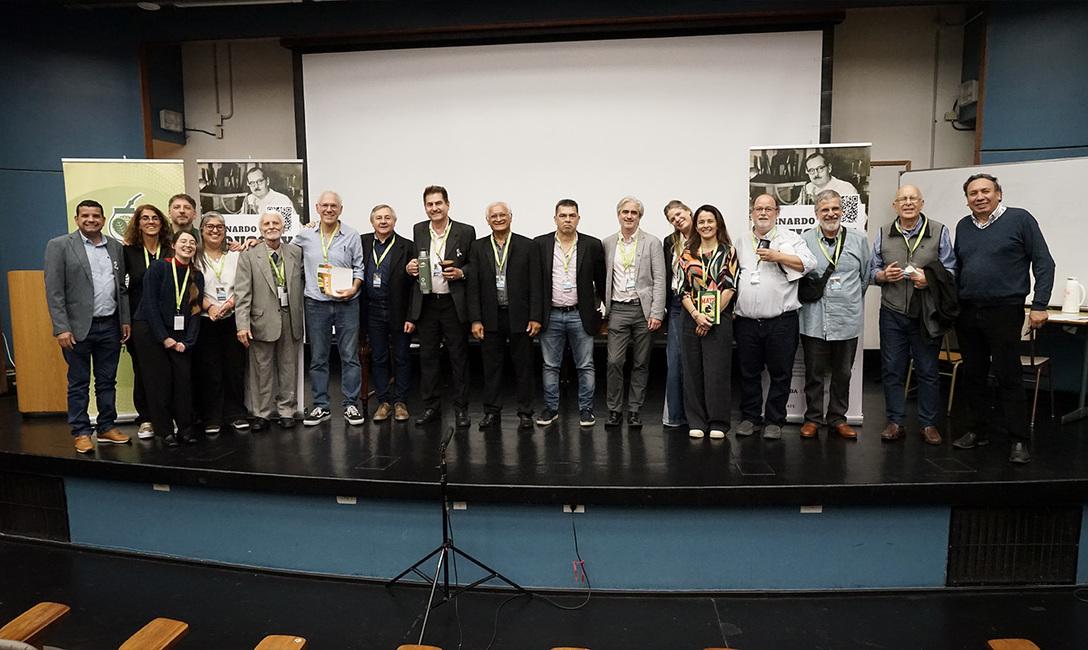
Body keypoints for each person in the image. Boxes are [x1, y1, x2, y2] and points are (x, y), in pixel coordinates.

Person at [951, 173, 1055, 464]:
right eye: (973, 193)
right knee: (973, 375)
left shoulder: (1020, 219)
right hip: (969, 311)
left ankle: (1019, 440)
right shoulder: (963, 226)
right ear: (967, 199)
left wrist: (1040, 303)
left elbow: (1044, 262)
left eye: (985, 191)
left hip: (1005, 310)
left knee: (1008, 376)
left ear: (999, 194)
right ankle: (976, 431)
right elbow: (959, 267)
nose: (979, 197)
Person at [870, 184, 957, 445]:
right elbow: (872, 269)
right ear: (895, 206)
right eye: (902, 199)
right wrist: (882, 276)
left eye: (913, 198)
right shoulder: (884, 232)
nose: (908, 203)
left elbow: (951, 271)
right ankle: (896, 422)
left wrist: (929, 280)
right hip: (892, 312)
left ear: (921, 203)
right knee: (892, 369)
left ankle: (928, 424)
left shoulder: (940, 231)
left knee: (928, 371)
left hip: (926, 314)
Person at [45, 199, 132, 454]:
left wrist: (124, 320)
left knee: (107, 381)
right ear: (76, 219)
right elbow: (54, 291)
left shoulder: (115, 246)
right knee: (79, 383)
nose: (91, 219)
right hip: (77, 329)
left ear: (103, 220)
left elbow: (122, 288)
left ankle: (106, 427)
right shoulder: (59, 246)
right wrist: (61, 328)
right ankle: (82, 432)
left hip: (110, 325)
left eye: (96, 215)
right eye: (85, 215)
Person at [734, 194, 817, 439]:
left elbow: (809, 263)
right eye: (758, 208)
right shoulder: (741, 241)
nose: (763, 213)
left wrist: (778, 256)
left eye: (768, 209)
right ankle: (750, 417)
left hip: (781, 321)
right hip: (747, 322)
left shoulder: (790, 238)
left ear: (777, 213)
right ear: (751, 212)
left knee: (781, 373)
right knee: (748, 372)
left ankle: (774, 420)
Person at [798, 190, 870, 440]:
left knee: (843, 374)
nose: (831, 214)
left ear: (842, 211)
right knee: (814, 373)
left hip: (847, 319)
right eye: (825, 209)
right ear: (816, 213)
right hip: (813, 320)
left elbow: (864, 278)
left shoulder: (858, 240)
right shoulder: (804, 240)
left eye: (835, 208)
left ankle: (838, 418)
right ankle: (813, 419)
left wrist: (847, 300)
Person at [405, 185, 476, 428]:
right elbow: (416, 261)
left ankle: (461, 409)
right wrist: (409, 268)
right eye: (429, 204)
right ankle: (431, 407)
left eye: (438, 203)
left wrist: (461, 273)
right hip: (427, 303)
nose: (434, 208)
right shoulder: (418, 230)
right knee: (428, 359)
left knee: (459, 358)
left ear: (447, 205)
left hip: (453, 304)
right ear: (425, 207)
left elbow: (473, 265)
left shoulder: (465, 231)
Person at [294, 191, 366, 427]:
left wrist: (354, 288)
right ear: (317, 207)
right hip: (316, 304)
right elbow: (283, 254)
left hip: (347, 303)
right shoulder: (305, 235)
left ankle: (351, 405)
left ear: (340, 209)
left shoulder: (352, 234)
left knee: (349, 356)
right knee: (318, 358)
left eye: (333, 205)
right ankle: (321, 407)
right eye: (324, 205)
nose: (329, 209)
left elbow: (359, 268)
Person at [468, 201, 542, 430]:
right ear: (487, 220)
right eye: (494, 216)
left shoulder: (527, 246)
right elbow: (473, 286)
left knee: (524, 367)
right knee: (491, 368)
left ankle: (526, 412)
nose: (498, 219)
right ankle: (491, 411)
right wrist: (475, 319)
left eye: (502, 215)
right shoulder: (478, 247)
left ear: (511, 217)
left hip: (519, 315)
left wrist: (536, 316)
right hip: (490, 317)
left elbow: (536, 284)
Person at [533, 199, 606, 428]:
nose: (567, 220)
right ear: (555, 218)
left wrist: (604, 309)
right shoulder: (540, 244)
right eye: (562, 216)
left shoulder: (592, 245)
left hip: (580, 314)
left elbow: (601, 281)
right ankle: (551, 408)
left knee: (585, 365)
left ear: (578, 219)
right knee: (550, 365)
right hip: (551, 314)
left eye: (571, 215)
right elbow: (535, 284)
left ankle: (586, 410)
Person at [132, 230, 204, 446]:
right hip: (150, 332)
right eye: (183, 241)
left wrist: (187, 341)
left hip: (180, 335)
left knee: (183, 382)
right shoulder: (159, 267)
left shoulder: (196, 275)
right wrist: (164, 338)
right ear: (173, 245)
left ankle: (185, 429)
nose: (188, 245)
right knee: (159, 383)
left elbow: (195, 309)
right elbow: (150, 304)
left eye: (192, 242)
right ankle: (164, 431)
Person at [234, 211, 305, 430]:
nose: (271, 226)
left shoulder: (295, 252)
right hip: (260, 322)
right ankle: (262, 414)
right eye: (266, 223)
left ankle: (287, 411)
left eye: (276, 223)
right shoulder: (249, 254)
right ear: (260, 228)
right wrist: (242, 325)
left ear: (284, 228)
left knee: (288, 368)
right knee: (261, 370)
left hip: (290, 318)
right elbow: (242, 292)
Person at [602, 196, 666, 428]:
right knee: (614, 362)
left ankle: (634, 411)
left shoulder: (652, 242)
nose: (629, 216)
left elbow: (659, 279)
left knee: (641, 363)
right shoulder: (608, 242)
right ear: (618, 214)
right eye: (625, 212)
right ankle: (614, 410)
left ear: (640, 216)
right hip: (618, 309)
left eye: (634, 213)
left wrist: (657, 313)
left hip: (643, 311)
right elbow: (603, 278)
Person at [677, 204, 738, 439]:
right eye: (701, 222)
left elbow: (730, 287)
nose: (705, 225)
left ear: (718, 223)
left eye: (710, 221)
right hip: (691, 316)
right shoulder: (687, 252)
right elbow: (682, 290)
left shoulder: (728, 251)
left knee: (717, 372)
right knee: (692, 371)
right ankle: (696, 421)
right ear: (696, 225)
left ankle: (718, 423)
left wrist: (709, 319)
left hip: (719, 318)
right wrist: (697, 316)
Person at [193, 212, 248, 434]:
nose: (215, 230)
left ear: (225, 231)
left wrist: (229, 304)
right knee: (210, 370)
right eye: (210, 226)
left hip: (232, 317)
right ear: (202, 230)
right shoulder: (195, 257)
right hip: (205, 320)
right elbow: (190, 287)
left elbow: (244, 285)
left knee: (234, 368)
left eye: (219, 227)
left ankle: (236, 414)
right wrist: (210, 307)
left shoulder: (236, 255)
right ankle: (212, 416)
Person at [122, 203, 173, 440]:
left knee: (168, 370)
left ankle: (167, 415)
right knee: (142, 371)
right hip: (139, 320)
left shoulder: (170, 250)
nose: (150, 221)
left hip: (169, 320)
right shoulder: (128, 251)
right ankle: (146, 418)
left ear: (162, 223)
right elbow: (122, 288)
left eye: (155, 218)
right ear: (138, 223)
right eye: (145, 218)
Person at [361, 204, 414, 423]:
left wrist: (412, 316)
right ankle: (383, 402)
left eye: (388, 218)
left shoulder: (407, 246)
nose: (383, 221)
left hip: (399, 311)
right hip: (372, 309)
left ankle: (400, 402)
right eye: (379, 218)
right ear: (371, 222)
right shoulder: (362, 243)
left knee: (402, 357)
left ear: (394, 221)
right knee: (379, 358)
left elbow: (415, 286)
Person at [662, 200, 694, 429]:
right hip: (676, 304)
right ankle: (674, 416)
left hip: (703, 303)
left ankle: (698, 417)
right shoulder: (670, 242)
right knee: (675, 361)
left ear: (688, 211)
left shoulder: (706, 234)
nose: (677, 219)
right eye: (672, 218)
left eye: (679, 214)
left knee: (699, 361)